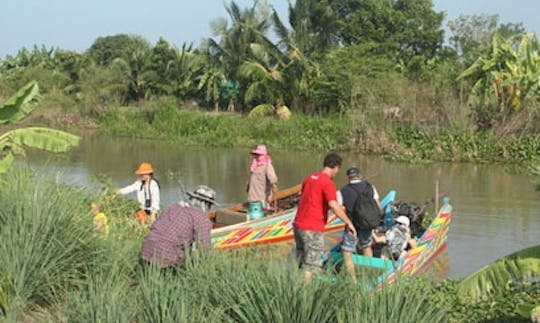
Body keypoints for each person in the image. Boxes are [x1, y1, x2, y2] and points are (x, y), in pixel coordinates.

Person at [293, 152, 356, 284]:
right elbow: (333, 204)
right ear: (336, 167)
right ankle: (305, 296)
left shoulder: (310, 177)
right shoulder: (328, 183)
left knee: (301, 262)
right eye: (338, 169)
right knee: (311, 266)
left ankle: (296, 289)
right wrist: (348, 222)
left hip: (298, 225)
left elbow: (305, 196)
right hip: (313, 228)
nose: (337, 173)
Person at [139, 185, 216, 270]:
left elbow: (155, 226)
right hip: (167, 257)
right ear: (207, 204)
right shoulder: (202, 219)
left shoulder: (173, 206)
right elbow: (203, 248)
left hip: (146, 250)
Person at [338, 167, 381, 280]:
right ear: (359, 175)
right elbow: (378, 205)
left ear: (348, 177)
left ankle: (353, 281)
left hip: (352, 226)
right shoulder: (370, 186)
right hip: (367, 223)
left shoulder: (343, 191)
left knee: (347, 252)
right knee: (366, 246)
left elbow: (337, 208)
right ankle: (369, 275)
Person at [247, 144, 279, 209]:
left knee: (262, 209)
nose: (257, 156)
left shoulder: (267, 165)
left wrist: (274, 186)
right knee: (254, 209)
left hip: (262, 196)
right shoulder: (255, 165)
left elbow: (272, 177)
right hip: (253, 195)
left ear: (263, 155)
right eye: (256, 154)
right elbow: (252, 178)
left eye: (259, 155)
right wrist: (248, 186)